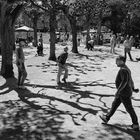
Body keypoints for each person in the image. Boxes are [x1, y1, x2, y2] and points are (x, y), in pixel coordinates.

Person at [100, 56, 139, 131]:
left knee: (129, 108)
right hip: (124, 92)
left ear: (121, 61)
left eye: (117, 61)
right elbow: (130, 80)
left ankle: (136, 124)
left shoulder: (123, 70)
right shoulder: (126, 68)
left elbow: (124, 82)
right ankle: (106, 117)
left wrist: (118, 91)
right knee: (114, 105)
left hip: (124, 93)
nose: (115, 62)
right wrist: (133, 88)